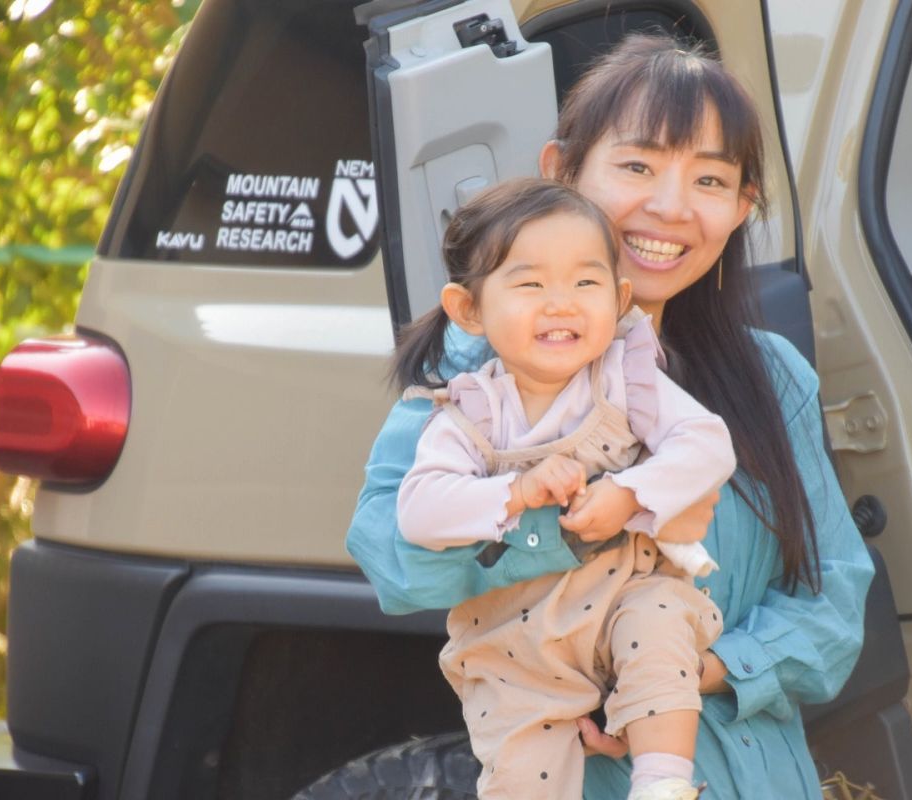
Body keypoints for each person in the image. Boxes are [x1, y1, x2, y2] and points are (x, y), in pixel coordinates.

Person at [346, 31, 875, 799]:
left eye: (709, 180)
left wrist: (689, 671)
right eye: (636, 166)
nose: (669, 207)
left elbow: (834, 609)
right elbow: (392, 557)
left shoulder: (771, 377)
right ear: (561, 171)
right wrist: (555, 522)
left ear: (740, 208)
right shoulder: (472, 381)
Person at [393, 177, 734, 800]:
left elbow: (708, 444)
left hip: (622, 605)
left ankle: (662, 786)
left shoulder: (628, 382)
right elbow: (418, 512)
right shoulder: (468, 414)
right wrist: (517, 493)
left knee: (659, 631)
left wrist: (632, 492)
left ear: (619, 296)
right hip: (517, 650)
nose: (561, 304)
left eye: (585, 283)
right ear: (468, 308)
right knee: (522, 775)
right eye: (529, 284)